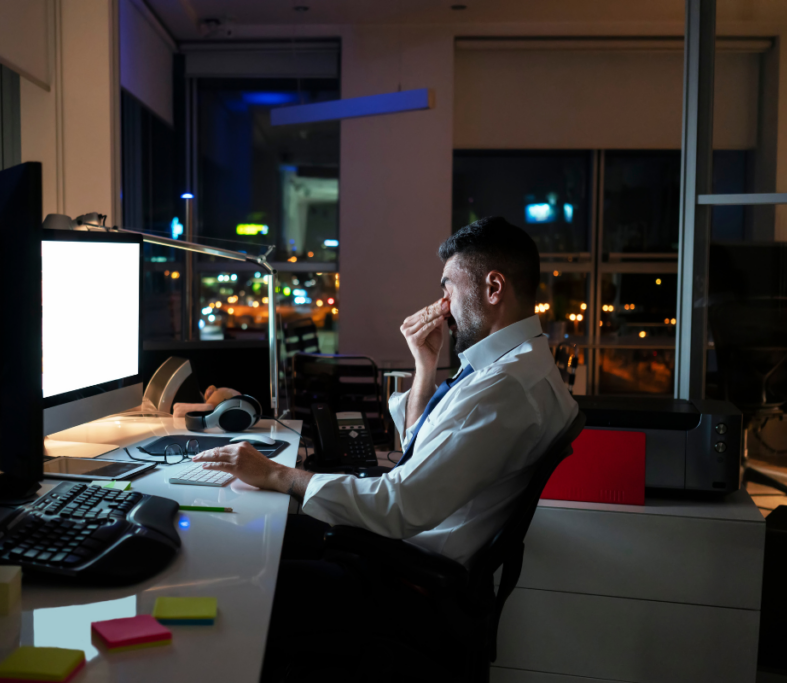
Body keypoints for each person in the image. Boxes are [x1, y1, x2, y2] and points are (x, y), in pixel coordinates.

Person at [193, 216, 578, 681]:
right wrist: (425, 365)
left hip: (403, 580)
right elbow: (419, 449)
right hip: (402, 554)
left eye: (448, 288)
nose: (443, 305)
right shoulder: (513, 366)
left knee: (238, 575)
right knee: (249, 538)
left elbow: (399, 503)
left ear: (493, 288)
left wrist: (279, 474)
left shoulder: (504, 388)